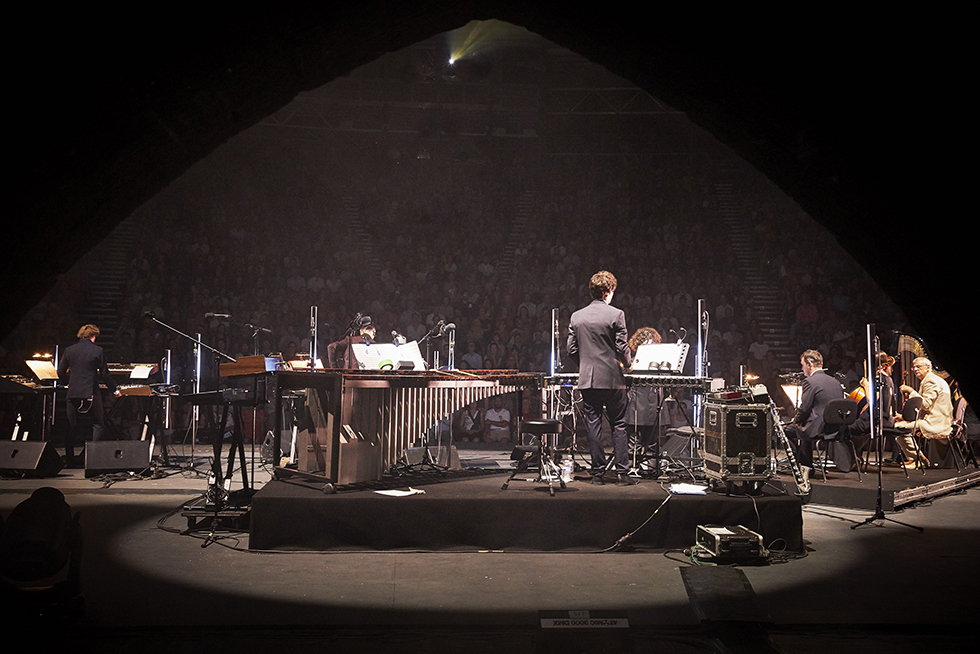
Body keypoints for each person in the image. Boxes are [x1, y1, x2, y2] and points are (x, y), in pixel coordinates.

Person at [567, 271, 635, 486]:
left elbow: (570, 349)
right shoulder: (616, 314)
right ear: (608, 291)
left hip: (588, 379)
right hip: (613, 379)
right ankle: (623, 474)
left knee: (593, 424)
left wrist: (586, 364)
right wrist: (630, 365)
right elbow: (622, 346)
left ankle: (597, 474)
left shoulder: (577, 316)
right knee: (619, 424)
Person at [57, 324, 120, 466]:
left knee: (71, 425)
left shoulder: (69, 350)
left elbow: (60, 372)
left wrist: (69, 383)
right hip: (91, 392)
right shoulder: (98, 350)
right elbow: (105, 374)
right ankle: (93, 458)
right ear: (94, 336)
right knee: (98, 424)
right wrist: (115, 390)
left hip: (73, 392)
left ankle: (70, 458)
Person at [784, 349, 844, 471]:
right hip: (836, 428)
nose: (802, 369)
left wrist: (795, 420)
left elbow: (805, 408)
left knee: (783, 431)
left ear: (810, 364)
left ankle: (801, 465)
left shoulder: (810, 382)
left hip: (818, 428)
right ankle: (806, 464)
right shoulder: (835, 382)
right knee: (802, 426)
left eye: (802, 365)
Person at [893, 357, 953, 469]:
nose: (915, 369)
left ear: (928, 367)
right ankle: (914, 459)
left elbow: (925, 404)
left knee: (897, 428)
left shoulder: (931, 381)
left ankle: (918, 459)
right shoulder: (931, 380)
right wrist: (903, 416)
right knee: (902, 424)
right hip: (934, 419)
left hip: (935, 422)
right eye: (914, 367)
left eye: (918, 367)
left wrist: (911, 391)